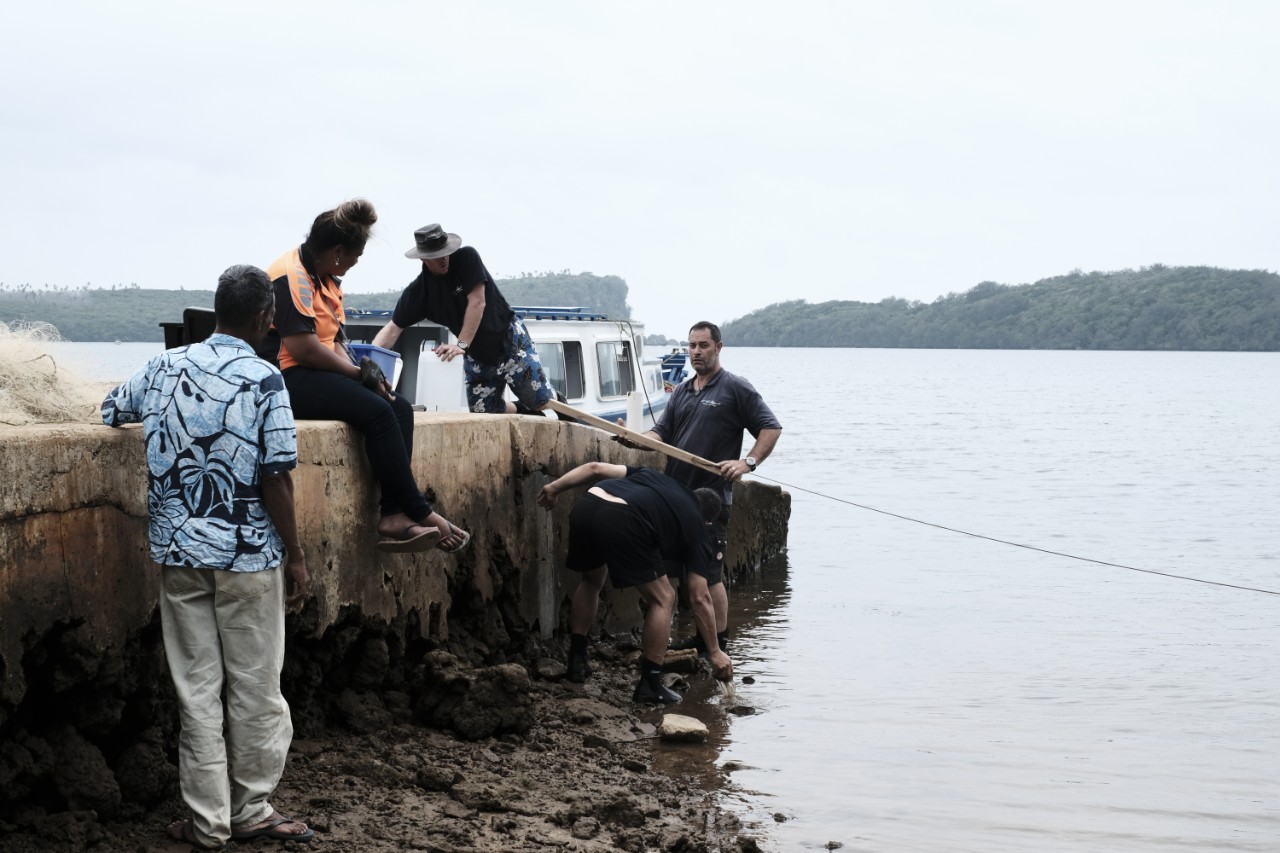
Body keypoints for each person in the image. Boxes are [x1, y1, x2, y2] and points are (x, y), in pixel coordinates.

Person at [102, 265, 314, 849]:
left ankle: (206, 823)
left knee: (196, 691)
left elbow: (111, 410)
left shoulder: (164, 366)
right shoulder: (265, 380)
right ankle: (249, 811)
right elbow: (277, 478)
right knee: (254, 688)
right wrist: (295, 556)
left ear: (217, 310)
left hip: (179, 553)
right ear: (266, 320)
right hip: (247, 558)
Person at [259, 201, 469, 553]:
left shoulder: (325, 278)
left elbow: (336, 341)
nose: (356, 263)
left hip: (312, 371)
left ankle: (394, 514)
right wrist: (359, 374)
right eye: (356, 256)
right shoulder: (290, 276)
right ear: (339, 252)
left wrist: (370, 379)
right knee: (378, 414)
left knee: (397, 407)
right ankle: (420, 510)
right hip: (285, 376)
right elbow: (303, 349)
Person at [624, 321, 782, 653]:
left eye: (703, 346)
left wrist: (746, 463)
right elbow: (661, 436)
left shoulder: (736, 388)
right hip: (674, 498)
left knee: (710, 577)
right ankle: (696, 636)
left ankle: (718, 642)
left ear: (718, 347)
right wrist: (635, 440)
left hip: (710, 500)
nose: (696, 352)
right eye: (691, 346)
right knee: (678, 572)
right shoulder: (681, 391)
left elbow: (770, 428)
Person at [537, 462, 732, 704]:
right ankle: (649, 684)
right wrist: (714, 651)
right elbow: (700, 597)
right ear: (708, 523)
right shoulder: (698, 528)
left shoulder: (653, 476)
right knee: (664, 598)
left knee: (591, 580)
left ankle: (577, 662)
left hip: (587, 505)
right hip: (624, 517)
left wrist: (554, 488)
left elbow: (595, 468)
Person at [372, 223, 555, 415]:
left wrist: (461, 344)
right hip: (477, 354)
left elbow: (477, 303)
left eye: (446, 252)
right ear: (424, 258)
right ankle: (521, 408)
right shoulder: (419, 293)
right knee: (485, 411)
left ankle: (554, 401)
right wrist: (368, 365)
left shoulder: (467, 258)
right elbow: (392, 330)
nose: (444, 258)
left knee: (540, 400)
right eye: (437, 255)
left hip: (507, 339)